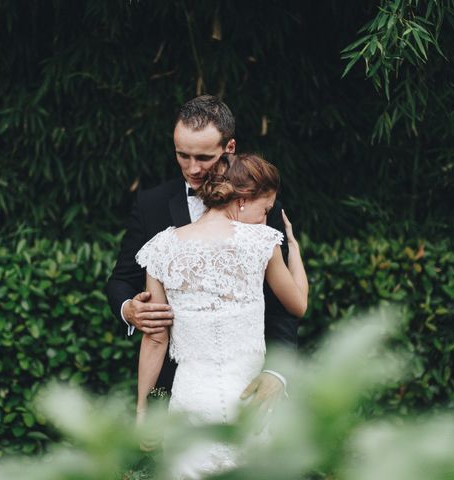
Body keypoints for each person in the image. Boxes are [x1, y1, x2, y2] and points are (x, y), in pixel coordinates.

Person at [105, 95, 298, 407]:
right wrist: (129, 309)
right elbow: (120, 280)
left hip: (251, 379)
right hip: (168, 385)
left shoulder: (260, 202)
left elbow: (283, 300)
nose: (192, 168)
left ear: (229, 149)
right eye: (183, 156)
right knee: (160, 456)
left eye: (204, 157)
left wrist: (277, 372)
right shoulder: (151, 204)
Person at [135, 153, 308, 478]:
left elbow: (156, 338)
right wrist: (294, 252)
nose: (264, 219)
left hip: (190, 400)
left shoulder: (161, 248)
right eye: (265, 210)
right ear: (242, 200)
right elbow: (298, 304)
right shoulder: (262, 242)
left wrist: (144, 411)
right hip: (249, 396)